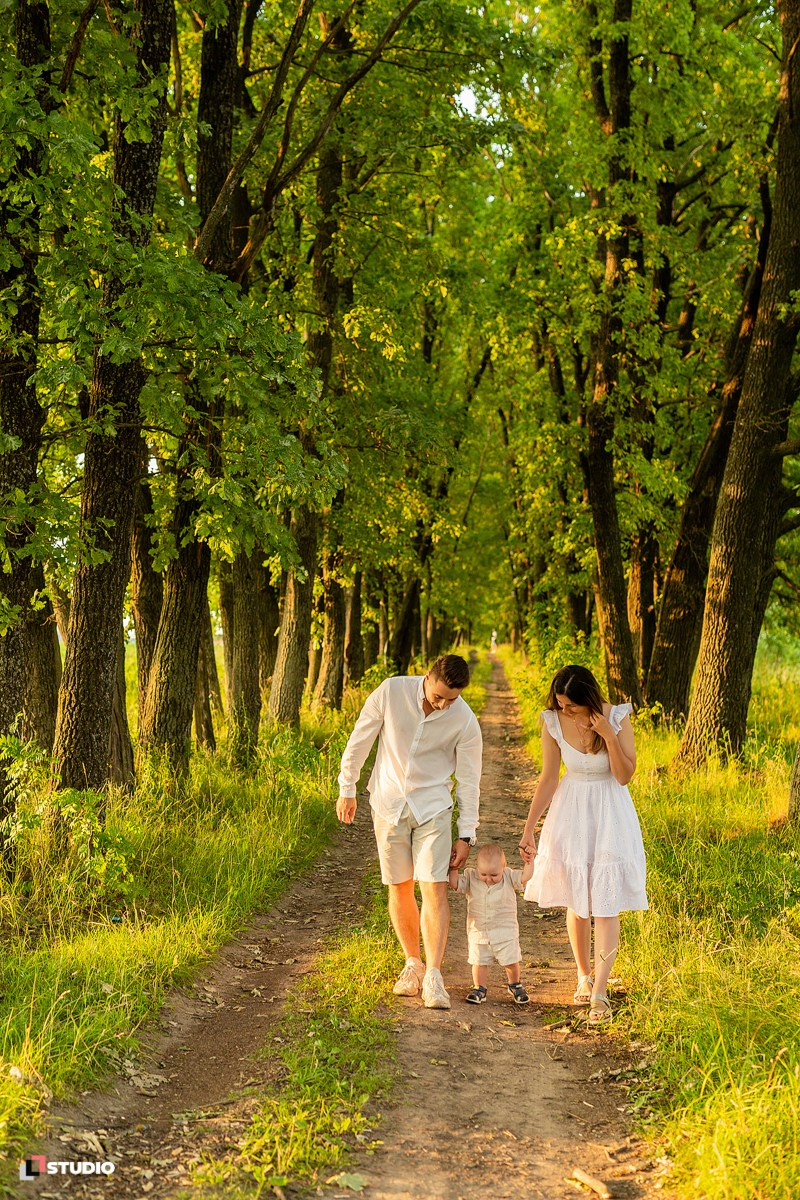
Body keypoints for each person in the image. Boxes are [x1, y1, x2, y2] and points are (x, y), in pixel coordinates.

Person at [336, 654, 482, 1010]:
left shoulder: (464, 720)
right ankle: (412, 964)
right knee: (399, 885)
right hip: (388, 803)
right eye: (439, 696)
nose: (444, 704)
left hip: (433, 807)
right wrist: (347, 787)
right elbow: (361, 738)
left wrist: (466, 834)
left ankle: (433, 975)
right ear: (427, 677)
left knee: (433, 887)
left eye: (452, 699)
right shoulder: (392, 692)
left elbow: (469, 780)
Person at [518, 665, 647, 1025]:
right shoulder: (552, 722)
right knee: (578, 901)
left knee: (606, 904)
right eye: (560, 703)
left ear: (588, 697)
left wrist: (608, 734)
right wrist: (529, 828)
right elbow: (548, 778)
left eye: (571, 705)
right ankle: (583, 976)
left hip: (610, 812)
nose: (565, 710)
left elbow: (624, 776)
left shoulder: (616, 717)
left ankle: (600, 992)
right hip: (571, 810)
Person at [448, 842, 533, 1005]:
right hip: (479, 932)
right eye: (484, 874)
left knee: (511, 960)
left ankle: (515, 984)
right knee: (479, 961)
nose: (488, 879)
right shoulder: (471, 877)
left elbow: (525, 876)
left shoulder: (509, 877)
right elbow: (455, 884)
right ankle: (479, 988)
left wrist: (530, 861)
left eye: (494, 875)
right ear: (477, 868)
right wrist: (453, 868)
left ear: (503, 868)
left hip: (505, 931)